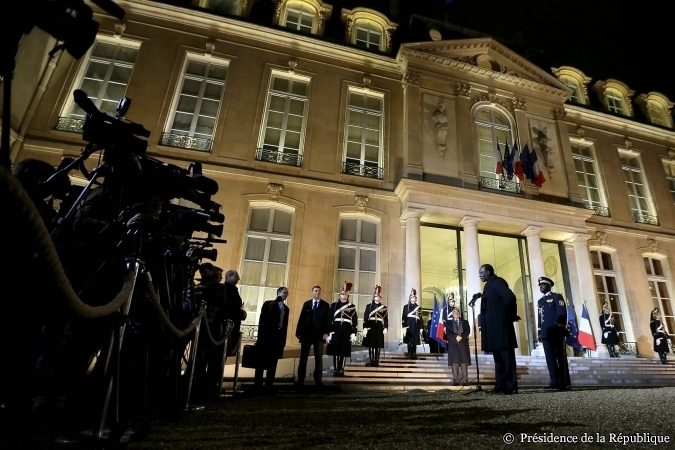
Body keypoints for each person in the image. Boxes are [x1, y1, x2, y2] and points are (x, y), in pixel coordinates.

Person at [473, 264, 518, 394]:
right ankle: (500, 385)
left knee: (507, 358)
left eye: (482, 272)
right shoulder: (488, 285)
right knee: (498, 360)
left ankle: (511, 386)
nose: (480, 275)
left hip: (502, 328)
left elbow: (510, 297)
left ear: (488, 272)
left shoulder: (498, 282)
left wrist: (508, 316)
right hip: (493, 330)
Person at [253, 287, 290, 393]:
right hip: (266, 338)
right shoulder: (268, 304)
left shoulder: (286, 308)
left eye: (287, 293)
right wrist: (260, 337)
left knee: (273, 363)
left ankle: (269, 384)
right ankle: (258, 384)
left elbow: (285, 325)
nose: (285, 295)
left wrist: (283, 340)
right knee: (260, 363)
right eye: (284, 292)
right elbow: (263, 320)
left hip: (277, 339)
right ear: (278, 293)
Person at [537, 277, 571, 390]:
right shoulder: (540, 301)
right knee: (550, 358)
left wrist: (561, 328)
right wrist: (539, 332)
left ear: (549, 286)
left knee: (560, 358)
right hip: (546, 333)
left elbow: (561, 313)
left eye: (543, 285)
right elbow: (539, 318)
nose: (541, 287)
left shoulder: (556, 297)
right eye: (540, 285)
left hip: (556, 331)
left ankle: (564, 382)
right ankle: (554, 382)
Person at [295, 286, 332, 387]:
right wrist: (298, 332)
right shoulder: (306, 304)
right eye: (316, 291)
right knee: (303, 357)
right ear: (312, 292)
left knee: (318, 358)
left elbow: (328, 321)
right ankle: (300, 379)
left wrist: (326, 332)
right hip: (307, 334)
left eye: (319, 291)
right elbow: (301, 318)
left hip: (319, 334)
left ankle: (318, 380)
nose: (317, 292)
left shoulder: (325, 305)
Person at [327, 283, 358, 376]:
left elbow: (355, 321)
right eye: (342, 294)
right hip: (335, 329)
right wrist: (329, 332)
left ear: (348, 296)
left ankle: (341, 369)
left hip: (346, 329)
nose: (344, 296)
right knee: (336, 350)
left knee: (343, 351)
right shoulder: (333, 306)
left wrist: (353, 333)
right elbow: (329, 320)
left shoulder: (352, 306)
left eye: (345, 294)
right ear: (339, 295)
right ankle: (336, 369)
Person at [223, 270, 247, 359]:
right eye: (236, 276)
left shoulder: (232, 289)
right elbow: (229, 308)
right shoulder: (227, 289)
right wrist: (242, 314)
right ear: (229, 277)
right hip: (228, 325)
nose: (238, 278)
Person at [444, 308, 471, 386]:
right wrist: (455, 336)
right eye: (455, 312)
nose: (457, 314)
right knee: (454, 362)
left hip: (463, 344)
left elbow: (467, 331)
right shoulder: (448, 323)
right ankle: (456, 380)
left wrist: (461, 336)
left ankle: (465, 380)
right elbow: (448, 333)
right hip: (453, 344)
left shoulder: (465, 322)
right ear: (452, 314)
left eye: (458, 312)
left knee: (464, 362)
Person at [363, 285, 388, 367]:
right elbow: (366, 318)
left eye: (378, 296)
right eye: (376, 296)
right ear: (374, 297)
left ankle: (376, 361)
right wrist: (365, 328)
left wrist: (385, 327)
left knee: (378, 345)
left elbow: (386, 319)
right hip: (371, 326)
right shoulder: (369, 306)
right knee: (371, 344)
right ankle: (371, 360)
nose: (377, 298)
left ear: (380, 297)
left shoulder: (384, 308)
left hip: (379, 326)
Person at [401, 289, 423, 360]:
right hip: (408, 324)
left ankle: (414, 353)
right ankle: (409, 353)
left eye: (414, 297)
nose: (413, 299)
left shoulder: (419, 308)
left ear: (416, 299)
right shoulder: (406, 307)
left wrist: (421, 327)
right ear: (410, 298)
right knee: (409, 340)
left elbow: (421, 318)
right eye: (412, 297)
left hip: (416, 325)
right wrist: (404, 326)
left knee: (415, 340)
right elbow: (403, 317)